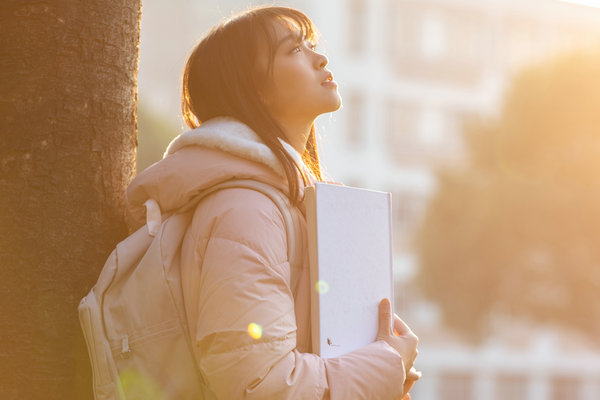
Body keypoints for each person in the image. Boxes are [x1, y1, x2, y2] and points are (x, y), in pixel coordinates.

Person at [126, 5, 420, 399]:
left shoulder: (287, 203)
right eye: (294, 50)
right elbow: (258, 386)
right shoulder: (245, 210)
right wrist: (385, 364)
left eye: (311, 44)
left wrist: (384, 372)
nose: (320, 57)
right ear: (251, 86)